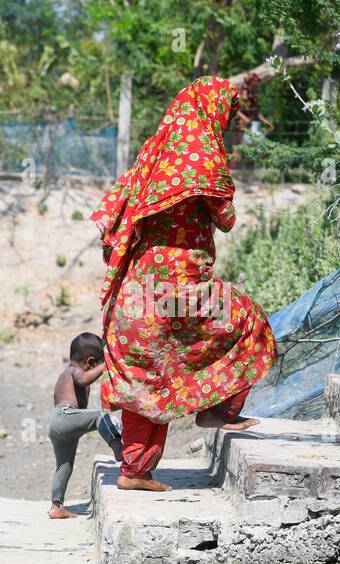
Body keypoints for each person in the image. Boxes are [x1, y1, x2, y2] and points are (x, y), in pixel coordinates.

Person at [89, 75, 277, 493]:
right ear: (213, 110)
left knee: (146, 377)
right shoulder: (202, 155)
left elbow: (115, 218)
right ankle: (218, 409)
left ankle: (134, 471)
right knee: (251, 324)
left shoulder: (153, 153)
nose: (227, 122)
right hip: (180, 290)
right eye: (226, 112)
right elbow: (226, 219)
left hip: (134, 296)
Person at [48, 332, 124, 519]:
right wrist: (107, 363)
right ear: (90, 362)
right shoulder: (73, 371)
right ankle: (118, 448)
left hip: (60, 426)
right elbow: (84, 379)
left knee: (64, 466)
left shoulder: (69, 373)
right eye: (96, 366)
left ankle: (56, 506)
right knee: (101, 415)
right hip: (65, 416)